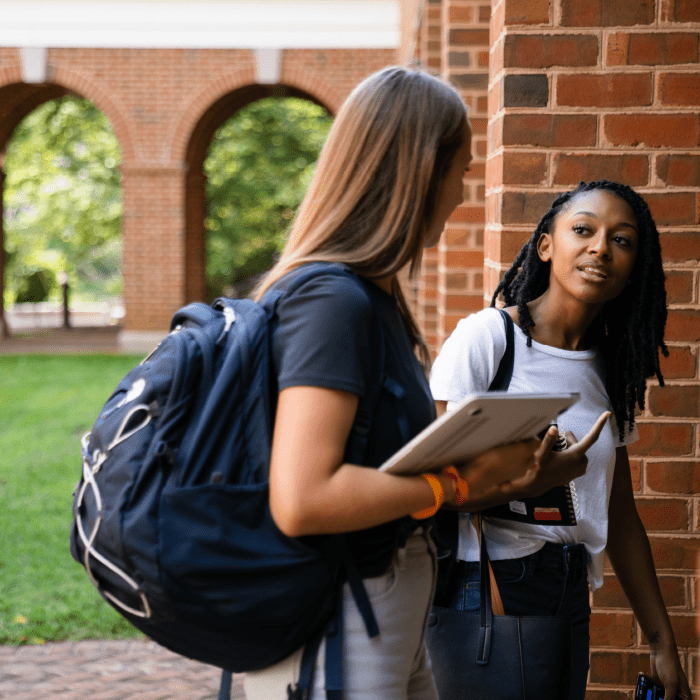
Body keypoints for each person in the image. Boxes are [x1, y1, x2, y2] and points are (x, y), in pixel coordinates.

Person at [242, 66, 542, 700]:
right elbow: (303, 498)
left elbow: (371, 459)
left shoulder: (371, 297)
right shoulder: (333, 300)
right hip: (340, 621)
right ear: (417, 172)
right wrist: (456, 483)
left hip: (386, 616)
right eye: (459, 171)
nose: (463, 193)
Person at [429, 180, 693, 700]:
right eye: (583, 230)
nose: (600, 248)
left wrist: (662, 641)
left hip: (572, 591)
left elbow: (619, 512)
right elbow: (432, 483)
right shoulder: (489, 339)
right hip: (494, 587)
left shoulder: (610, 368)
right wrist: (529, 479)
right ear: (546, 246)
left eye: (622, 240)